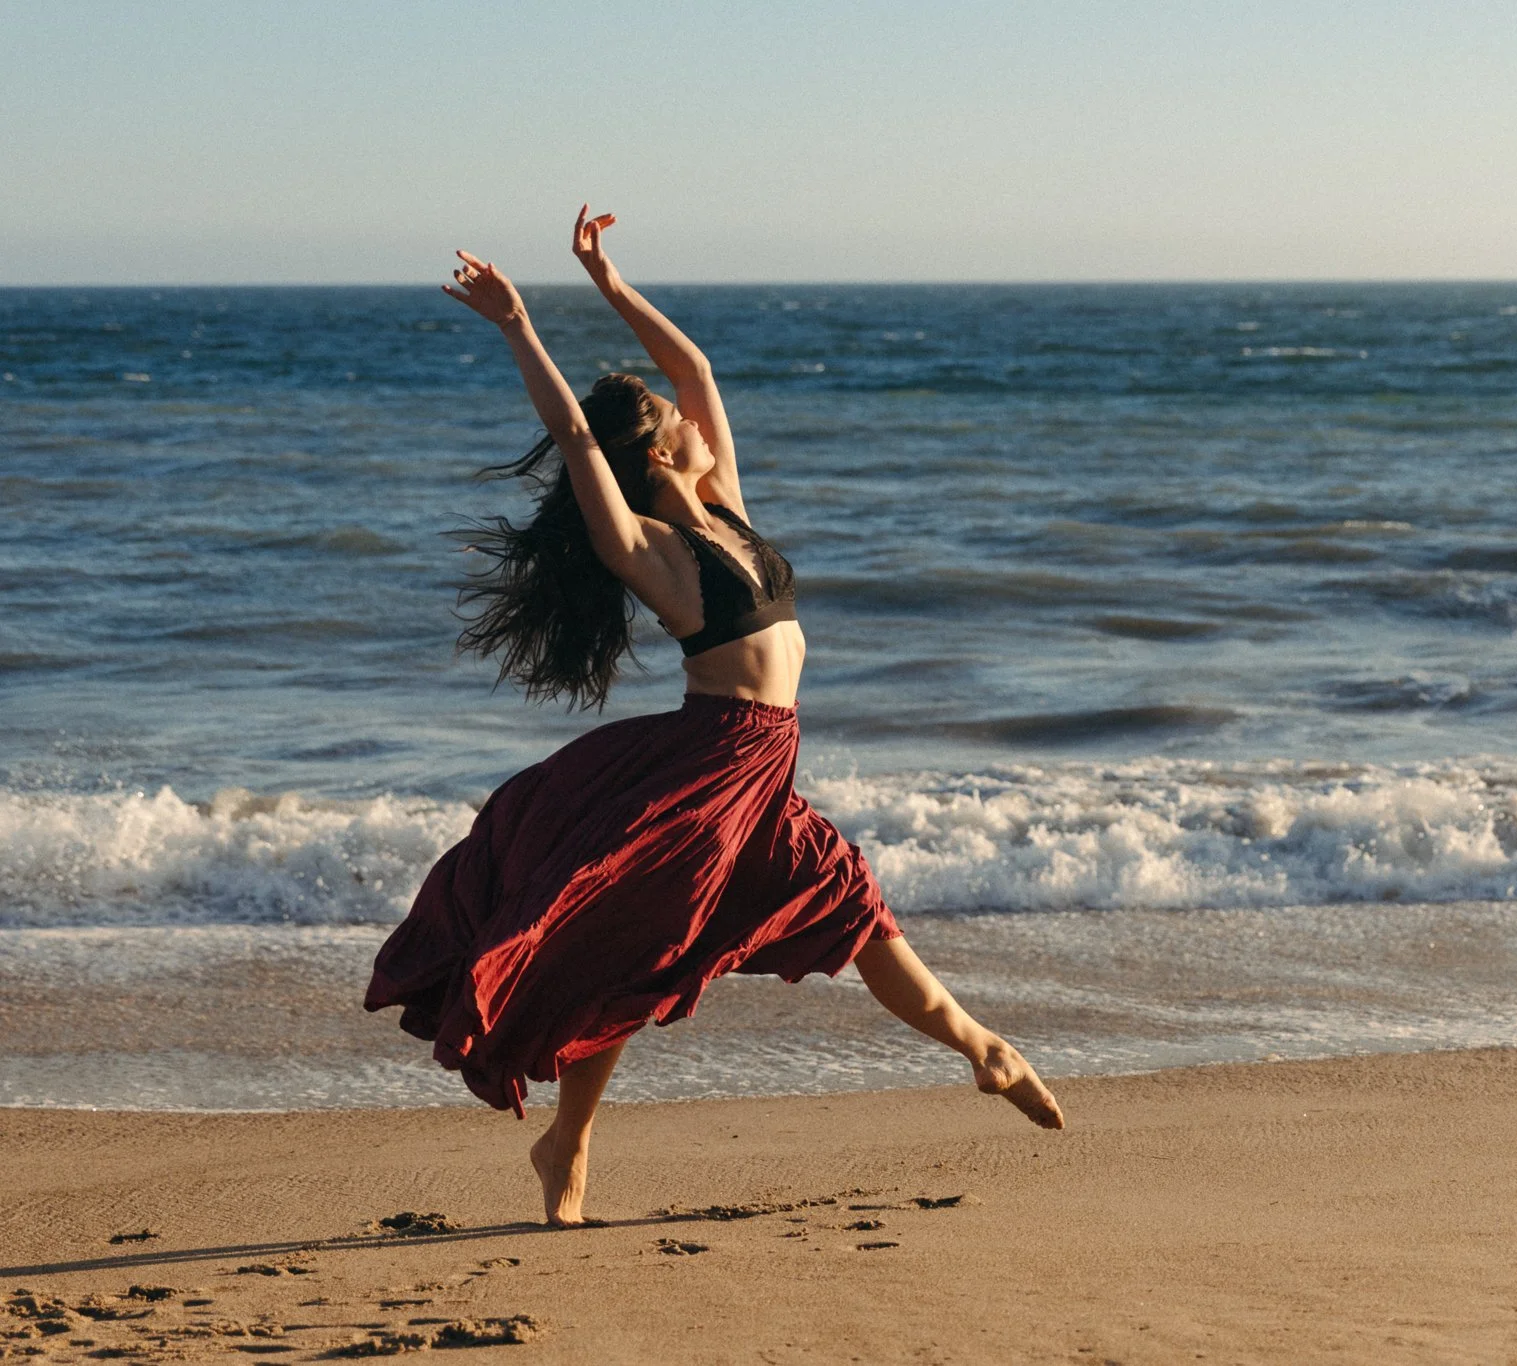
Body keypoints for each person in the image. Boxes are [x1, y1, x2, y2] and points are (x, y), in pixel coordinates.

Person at [365, 207, 1063, 1227]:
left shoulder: (726, 504)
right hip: (704, 764)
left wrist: (609, 284)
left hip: (765, 764)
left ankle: (981, 1048)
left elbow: (696, 368)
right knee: (633, 941)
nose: (686, 413)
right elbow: (571, 435)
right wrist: (518, 323)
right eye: (665, 415)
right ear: (651, 452)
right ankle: (570, 1143)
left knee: (848, 901)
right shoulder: (650, 550)